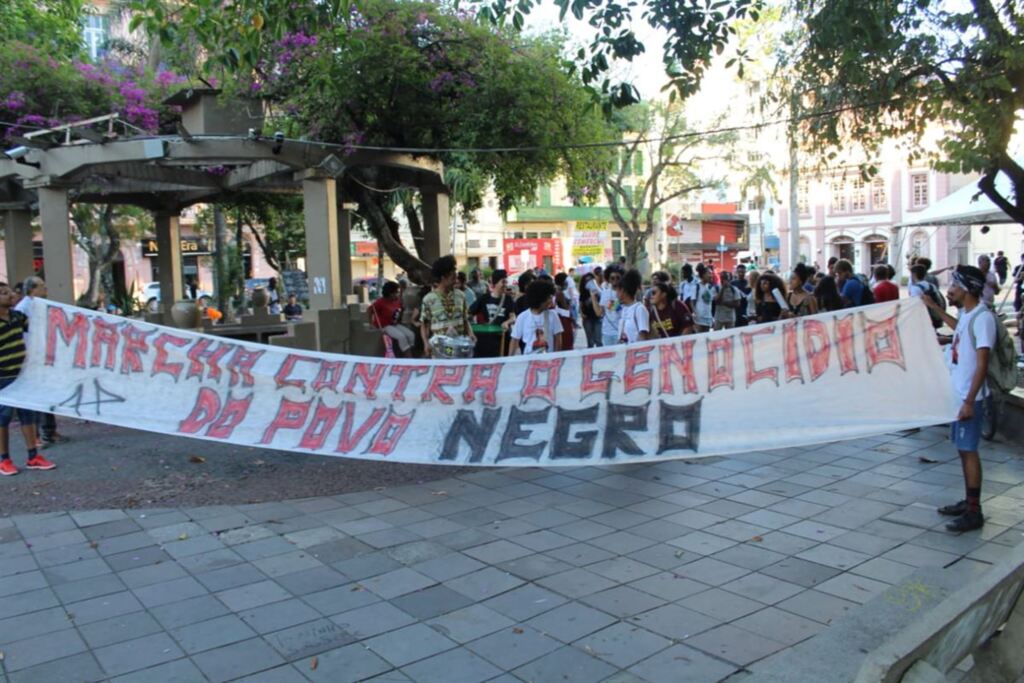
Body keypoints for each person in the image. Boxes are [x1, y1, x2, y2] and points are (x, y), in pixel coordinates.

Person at [922, 265, 992, 532]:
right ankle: (969, 501)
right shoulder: (968, 315)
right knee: (963, 450)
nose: (949, 291)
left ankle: (975, 511)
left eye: (953, 285)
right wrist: (935, 309)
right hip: (960, 394)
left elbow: (982, 364)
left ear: (966, 288)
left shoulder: (983, 318)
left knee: (969, 450)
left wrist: (968, 401)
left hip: (968, 398)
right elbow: (959, 330)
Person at [0, 282, 56, 476]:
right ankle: (4, 459)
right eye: (4, 293)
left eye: (10, 292)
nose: (11, 296)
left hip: (22, 375)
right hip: (3, 377)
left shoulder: (17, 317)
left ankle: (33, 456)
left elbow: (38, 328)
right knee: (2, 419)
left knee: (28, 416)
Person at [15, 277, 68, 445]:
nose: (45, 288)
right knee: (35, 397)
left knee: (46, 394)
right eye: (42, 286)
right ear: (32, 289)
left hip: (44, 356)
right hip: (33, 357)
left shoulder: (39, 305)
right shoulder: (23, 308)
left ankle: (49, 431)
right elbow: (27, 334)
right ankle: (37, 435)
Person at [420, 255, 475, 358]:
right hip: (439, 348)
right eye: (452, 274)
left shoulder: (461, 296)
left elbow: (465, 319)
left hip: (460, 346)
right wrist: (425, 343)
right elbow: (425, 324)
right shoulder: (428, 299)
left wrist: (471, 333)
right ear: (443, 277)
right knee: (443, 372)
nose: (456, 276)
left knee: (460, 371)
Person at [469, 269, 515, 358]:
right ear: (496, 283)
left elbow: (513, 317)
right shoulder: (484, 298)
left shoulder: (508, 299)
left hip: (503, 339)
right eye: (503, 282)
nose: (505, 285)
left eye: (506, 282)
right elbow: (469, 313)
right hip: (487, 341)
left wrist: (507, 322)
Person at [510, 279, 561, 354]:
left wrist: (557, 357)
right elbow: (514, 340)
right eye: (549, 297)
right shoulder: (522, 317)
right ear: (540, 298)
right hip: (528, 360)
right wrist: (509, 361)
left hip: (549, 360)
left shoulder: (553, 315)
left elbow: (558, 338)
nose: (551, 300)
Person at [369, 281, 416, 357]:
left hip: (394, 324)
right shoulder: (380, 302)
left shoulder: (397, 301)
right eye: (396, 292)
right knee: (401, 337)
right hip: (384, 326)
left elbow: (401, 310)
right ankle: (408, 357)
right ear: (391, 294)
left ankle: (409, 352)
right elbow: (370, 310)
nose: (398, 294)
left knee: (411, 335)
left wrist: (400, 319)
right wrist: (371, 324)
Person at [617, 269, 650, 343]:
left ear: (623, 291)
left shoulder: (639, 309)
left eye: (618, 290)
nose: (616, 294)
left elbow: (643, 337)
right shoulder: (624, 309)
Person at [593, 265, 623, 346]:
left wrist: (609, 305)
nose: (615, 280)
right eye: (612, 278)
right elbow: (599, 313)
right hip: (607, 332)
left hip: (620, 332)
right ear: (608, 279)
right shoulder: (605, 293)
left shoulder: (624, 292)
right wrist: (593, 298)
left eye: (617, 277)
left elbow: (621, 309)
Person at [692, 264, 717, 332]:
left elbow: (711, 302)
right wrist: (695, 314)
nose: (711, 275)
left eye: (711, 274)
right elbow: (692, 302)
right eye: (709, 273)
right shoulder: (696, 287)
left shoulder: (710, 287)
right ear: (703, 275)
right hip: (699, 318)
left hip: (708, 317)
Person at [554, 273, 575, 350]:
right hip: (564, 320)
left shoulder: (559, 292)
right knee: (567, 343)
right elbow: (565, 308)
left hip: (563, 319)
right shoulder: (560, 293)